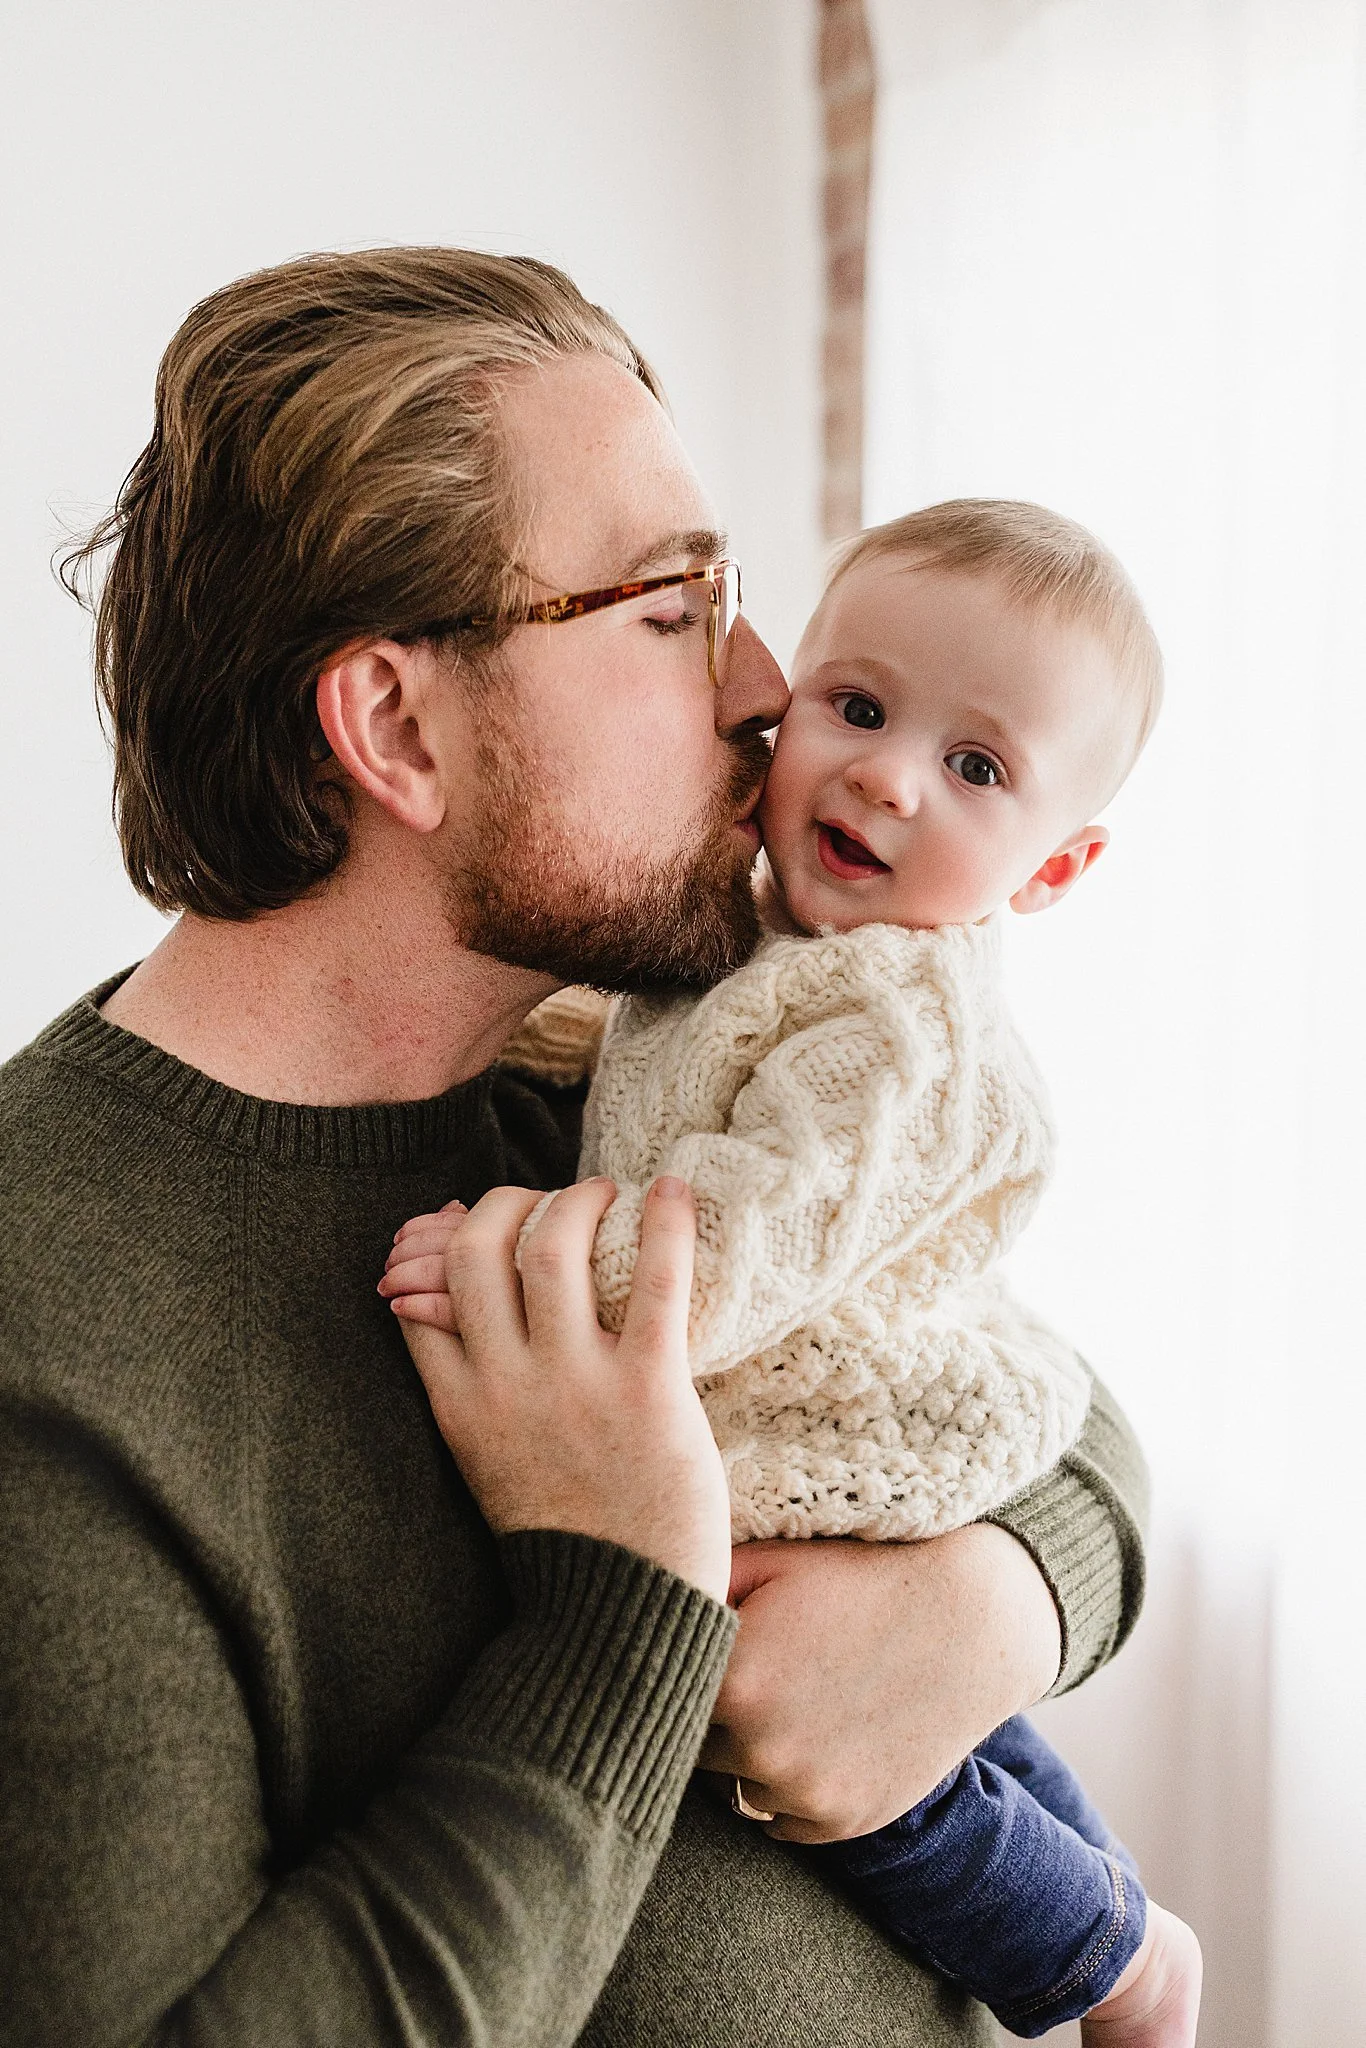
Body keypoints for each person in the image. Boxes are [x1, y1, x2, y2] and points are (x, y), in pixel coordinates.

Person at [0, 249, 1148, 2048]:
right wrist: (623, 1606)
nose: (770, 687)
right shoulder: (42, 1333)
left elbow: (1047, 1405)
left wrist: (989, 1603)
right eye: (670, 606)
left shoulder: (603, 1084)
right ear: (397, 725)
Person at [385, 500, 1201, 2044]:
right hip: (793, 1425)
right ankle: (1114, 1900)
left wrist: (543, 1269)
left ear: (1053, 868)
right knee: (948, 1720)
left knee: (836, 1747)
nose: (886, 775)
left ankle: (1100, 1956)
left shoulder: (903, 1030)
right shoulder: (751, 936)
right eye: (858, 705)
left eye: (974, 769)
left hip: (850, 1439)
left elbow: (742, 1235)